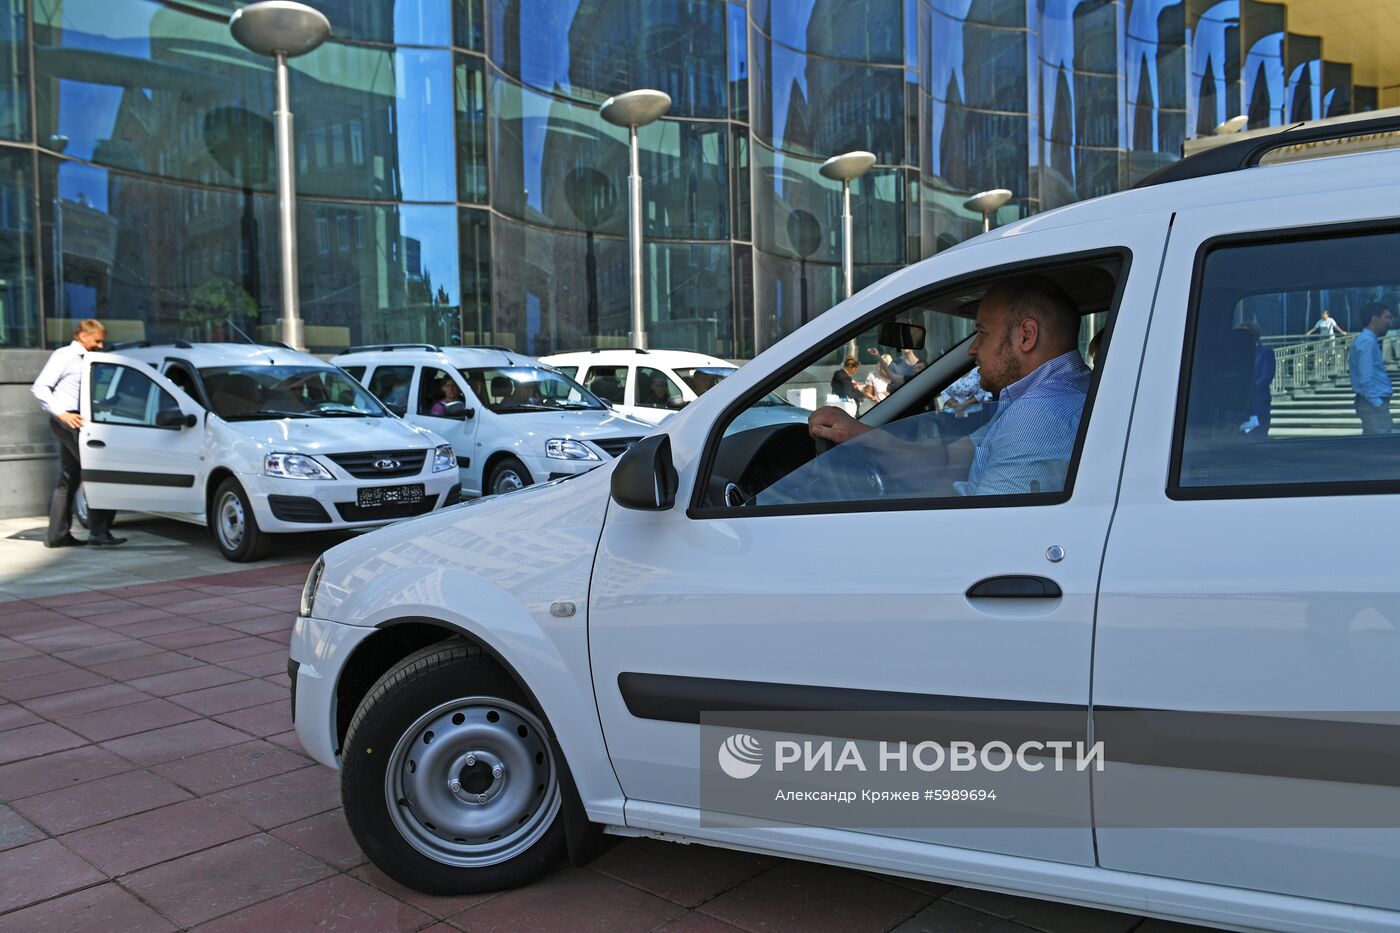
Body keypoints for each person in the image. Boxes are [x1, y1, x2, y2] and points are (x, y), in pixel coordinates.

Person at [808, 274, 1090, 497]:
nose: (973, 349)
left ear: (1026, 336)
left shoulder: (1038, 417)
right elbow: (945, 464)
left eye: (982, 333)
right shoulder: (1044, 400)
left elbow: (986, 539)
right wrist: (858, 435)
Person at [30, 319, 125, 547]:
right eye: (98, 340)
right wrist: (62, 414)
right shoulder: (65, 355)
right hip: (69, 422)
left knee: (68, 478)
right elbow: (40, 387)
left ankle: (58, 536)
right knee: (98, 471)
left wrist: (103, 405)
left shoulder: (86, 359)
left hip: (77, 419)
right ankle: (99, 532)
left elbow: (76, 393)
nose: (101, 345)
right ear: (83, 336)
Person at [1349, 302, 1394, 435]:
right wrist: (1378, 404)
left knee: (1375, 445)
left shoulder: (1367, 340)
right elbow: (1366, 377)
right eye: (1387, 317)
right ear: (1374, 318)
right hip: (1372, 404)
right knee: (1380, 448)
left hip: (1371, 403)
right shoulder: (1367, 342)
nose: (1390, 323)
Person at [1234, 321, 1275, 438]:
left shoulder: (1266, 353)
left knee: (1256, 439)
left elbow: (1266, 378)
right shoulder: (1237, 355)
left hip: (1258, 406)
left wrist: (1246, 391)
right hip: (1239, 408)